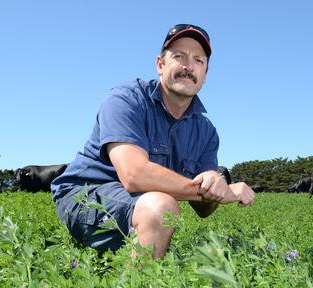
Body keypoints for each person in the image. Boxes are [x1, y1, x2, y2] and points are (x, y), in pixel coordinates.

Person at [51, 24, 255, 258]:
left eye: (198, 60)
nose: (189, 66)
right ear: (160, 64)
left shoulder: (206, 131)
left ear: (205, 75)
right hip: (85, 195)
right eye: (179, 56)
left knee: (161, 206)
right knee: (161, 207)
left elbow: (203, 210)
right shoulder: (126, 99)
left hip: (137, 204)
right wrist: (212, 190)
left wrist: (214, 185)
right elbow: (134, 175)